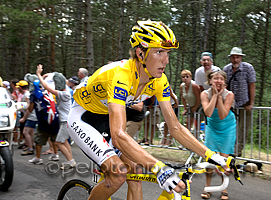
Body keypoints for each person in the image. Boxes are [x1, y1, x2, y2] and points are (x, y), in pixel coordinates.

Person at [67, 20, 231, 200]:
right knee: (118, 175)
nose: (166, 60)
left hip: (106, 118)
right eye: (159, 52)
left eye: (167, 53)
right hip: (83, 118)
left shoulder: (159, 80)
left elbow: (175, 127)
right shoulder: (121, 75)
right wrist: (159, 168)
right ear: (140, 53)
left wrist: (211, 155)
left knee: (135, 176)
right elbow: (119, 135)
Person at [200, 70, 236, 200]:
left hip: (227, 127)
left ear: (225, 82)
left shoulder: (229, 94)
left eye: (221, 79)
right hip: (212, 127)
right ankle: (207, 187)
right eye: (215, 78)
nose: (218, 81)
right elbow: (208, 113)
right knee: (210, 159)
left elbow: (222, 115)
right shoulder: (205, 94)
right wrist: (214, 95)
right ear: (210, 81)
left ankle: (224, 189)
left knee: (223, 160)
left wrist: (220, 97)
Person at [36, 66, 76, 169]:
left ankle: (70, 161)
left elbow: (46, 86)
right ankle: (70, 160)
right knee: (65, 141)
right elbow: (59, 77)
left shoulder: (64, 94)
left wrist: (39, 75)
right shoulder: (66, 89)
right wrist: (46, 75)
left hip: (65, 121)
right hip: (67, 120)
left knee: (58, 142)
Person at [223, 47, 256, 157]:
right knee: (230, 127)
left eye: (237, 57)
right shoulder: (226, 69)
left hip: (244, 103)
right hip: (231, 104)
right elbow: (224, 86)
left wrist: (251, 103)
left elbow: (252, 85)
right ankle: (229, 150)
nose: (235, 59)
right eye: (233, 57)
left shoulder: (248, 68)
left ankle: (237, 151)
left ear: (241, 58)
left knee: (244, 128)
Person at [19, 75, 39, 156]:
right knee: (31, 132)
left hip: (32, 116)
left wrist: (24, 118)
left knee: (25, 132)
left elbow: (29, 107)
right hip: (34, 116)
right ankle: (32, 145)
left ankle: (30, 148)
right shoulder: (32, 93)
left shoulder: (29, 94)